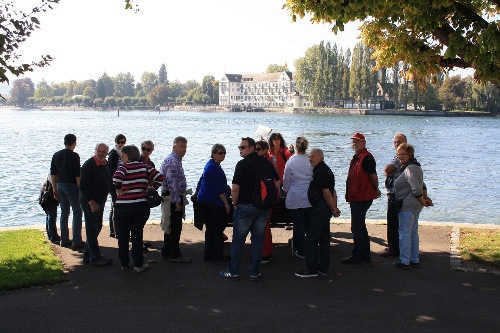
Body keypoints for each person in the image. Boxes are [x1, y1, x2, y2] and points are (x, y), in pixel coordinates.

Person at [220, 137, 279, 281]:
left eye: (243, 147)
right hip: (264, 207)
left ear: (252, 148)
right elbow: (277, 183)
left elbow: (235, 189)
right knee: (258, 240)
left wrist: (234, 204)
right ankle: (254, 271)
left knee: (239, 240)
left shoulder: (242, 164)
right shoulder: (266, 163)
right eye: (239, 147)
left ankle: (233, 270)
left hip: (245, 206)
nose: (240, 149)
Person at [113, 145, 163, 272]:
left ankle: (124, 263)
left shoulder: (123, 167)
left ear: (128, 155)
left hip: (123, 206)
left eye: (123, 155)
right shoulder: (145, 167)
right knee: (137, 236)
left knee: (123, 236)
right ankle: (138, 264)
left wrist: (119, 189)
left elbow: (116, 179)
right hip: (140, 206)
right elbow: (160, 177)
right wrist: (150, 188)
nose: (122, 157)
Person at [295, 148, 340, 277]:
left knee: (311, 238)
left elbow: (327, 192)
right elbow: (333, 192)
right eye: (310, 157)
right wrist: (333, 208)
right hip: (324, 208)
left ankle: (311, 269)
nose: (310, 159)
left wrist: (333, 209)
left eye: (313, 157)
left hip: (320, 208)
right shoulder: (323, 170)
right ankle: (323, 268)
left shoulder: (321, 171)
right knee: (324, 239)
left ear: (320, 157)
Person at [392, 143, 433, 269]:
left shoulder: (410, 168)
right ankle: (414, 258)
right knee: (413, 232)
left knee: (405, 233)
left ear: (410, 154)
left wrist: (422, 200)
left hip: (408, 206)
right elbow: (422, 184)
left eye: (403, 154)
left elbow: (416, 188)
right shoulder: (414, 166)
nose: (400, 157)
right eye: (398, 154)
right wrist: (424, 199)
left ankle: (404, 261)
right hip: (414, 206)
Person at [342, 132, 381, 264]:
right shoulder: (358, 157)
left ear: (364, 143)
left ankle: (359, 255)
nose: (355, 144)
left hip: (362, 197)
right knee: (359, 226)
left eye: (357, 141)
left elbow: (373, 176)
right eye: (353, 141)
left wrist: (375, 189)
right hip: (357, 196)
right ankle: (364, 254)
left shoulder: (366, 158)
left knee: (357, 227)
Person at [79, 143, 113, 266]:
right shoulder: (88, 165)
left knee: (97, 227)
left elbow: (109, 180)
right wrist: (92, 202)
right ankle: (95, 257)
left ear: (107, 153)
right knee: (92, 228)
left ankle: (87, 254)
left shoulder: (106, 163)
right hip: (90, 201)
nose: (101, 154)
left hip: (100, 200)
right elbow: (82, 186)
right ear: (95, 151)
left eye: (103, 152)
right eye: (99, 151)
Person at [197, 144, 231, 262]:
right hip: (213, 202)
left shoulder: (209, 165)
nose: (222, 155)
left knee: (211, 228)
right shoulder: (214, 168)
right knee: (216, 229)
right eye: (220, 153)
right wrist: (226, 203)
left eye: (224, 153)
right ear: (213, 153)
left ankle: (209, 253)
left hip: (205, 200)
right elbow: (219, 189)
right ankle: (217, 254)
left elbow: (201, 181)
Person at [160, 136, 192, 263]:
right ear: (174, 147)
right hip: (172, 197)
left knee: (169, 225)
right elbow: (172, 184)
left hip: (170, 196)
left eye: (185, 147)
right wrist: (177, 201)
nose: (184, 149)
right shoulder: (173, 161)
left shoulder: (174, 159)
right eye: (181, 147)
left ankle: (167, 250)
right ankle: (175, 254)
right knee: (175, 227)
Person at [50, 133, 83, 250]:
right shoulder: (75, 156)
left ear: (64, 142)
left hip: (60, 185)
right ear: (74, 143)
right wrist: (81, 190)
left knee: (64, 212)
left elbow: (53, 173)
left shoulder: (56, 155)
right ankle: (76, 240)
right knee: (77, 211)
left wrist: (54, 188)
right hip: (72, 185)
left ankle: (64, 239)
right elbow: (77, 175)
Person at [283, 136, 313, 259]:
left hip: (294, 198)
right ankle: (309, 247)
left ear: (295, 147)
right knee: (307, 224)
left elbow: (286, 182)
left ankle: (300, 250)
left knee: (298, 224)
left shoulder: (291, 162)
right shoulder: (311, 160)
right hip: (308, 198)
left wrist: (285, 192)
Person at [381, 133, 408, 258]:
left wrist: (388, 172)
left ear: (405, 143)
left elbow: (387, 170)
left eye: (399, 142)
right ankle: (395, 246)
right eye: (395, 142)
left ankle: (393, 248)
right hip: (395, 193)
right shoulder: (401, 156)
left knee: (393, 222)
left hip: (394, 194)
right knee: (395, 222)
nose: (396, 144)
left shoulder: (399, 157)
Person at [255, 140, 276, 264]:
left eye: (257, 149)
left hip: (264, 200)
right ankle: (267, 252)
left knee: (262, 228)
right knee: (265, 228)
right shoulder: (270, 162)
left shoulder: (264, 163)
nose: (255, 151)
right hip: (270, 199)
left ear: (264, 150)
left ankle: (264, 253)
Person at [139, 140, 156, 253]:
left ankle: (140, 240)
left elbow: (153, 179)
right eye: (143, 148)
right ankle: (138, 243)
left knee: (144, 218)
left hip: (146, 194)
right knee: (138, 220)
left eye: (148, 149)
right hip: (137, 194)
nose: (145, 151)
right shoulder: (137, 160)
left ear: (152, 150)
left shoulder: (151, 164)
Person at [108, 134, 127, 238]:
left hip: (120, 183)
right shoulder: (113, 154)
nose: (120, 144)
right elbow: (111, 171)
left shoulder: (122, 153)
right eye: (119, 142)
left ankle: (113, 230)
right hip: (114, 184)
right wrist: (115, 185)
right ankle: (115, 231)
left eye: (122, 142)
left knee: (114, 206)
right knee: (116, 206)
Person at [39, 174, 60, 244]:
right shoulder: (54, 175)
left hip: (45, 194)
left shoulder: (52, 173)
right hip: (48, 196)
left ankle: (50, 234)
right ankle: (53, 236)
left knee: (49, 215)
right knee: (52, 216)